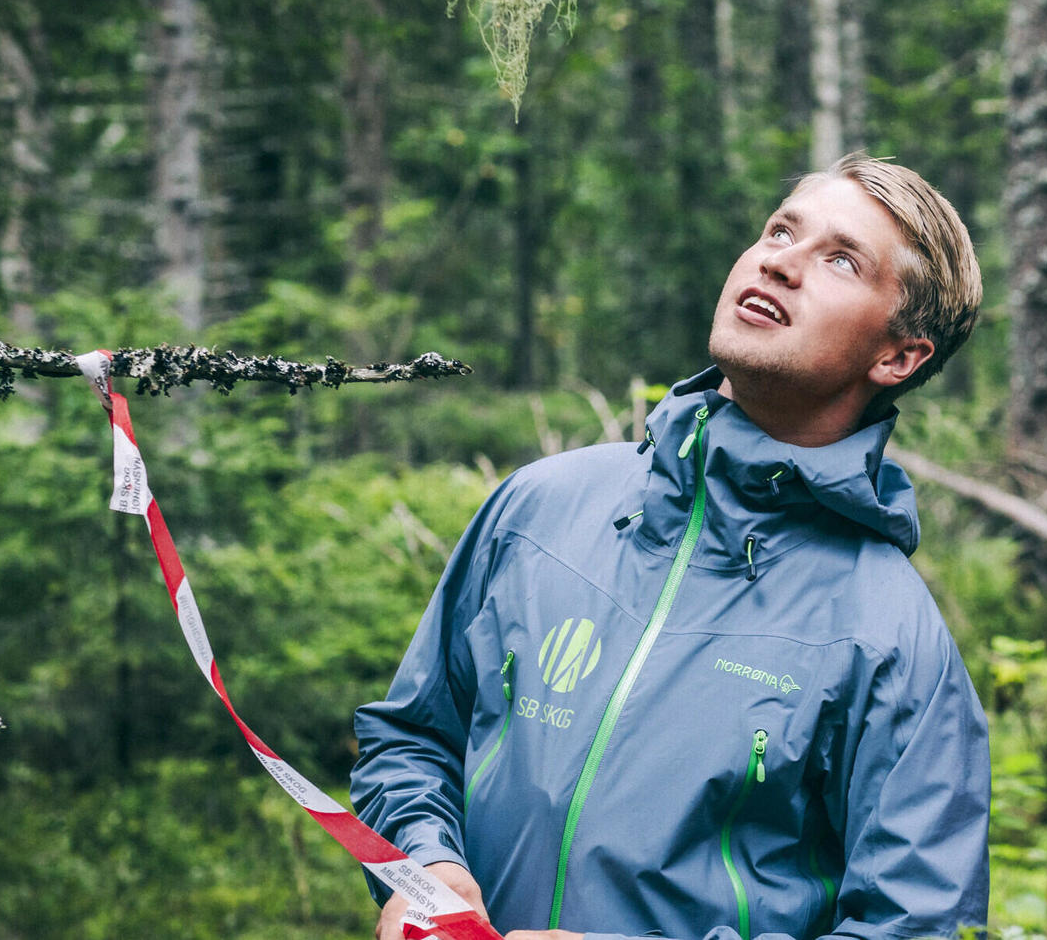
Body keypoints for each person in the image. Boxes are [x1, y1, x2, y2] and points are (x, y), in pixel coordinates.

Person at [351, 155, 990, 940]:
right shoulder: (538, 509)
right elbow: (412, 741)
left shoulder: (891, 637)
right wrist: (425, 869)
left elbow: (913, 926)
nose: (780, 261)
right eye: (780, 229)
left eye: (840, 259)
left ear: (897, 356)